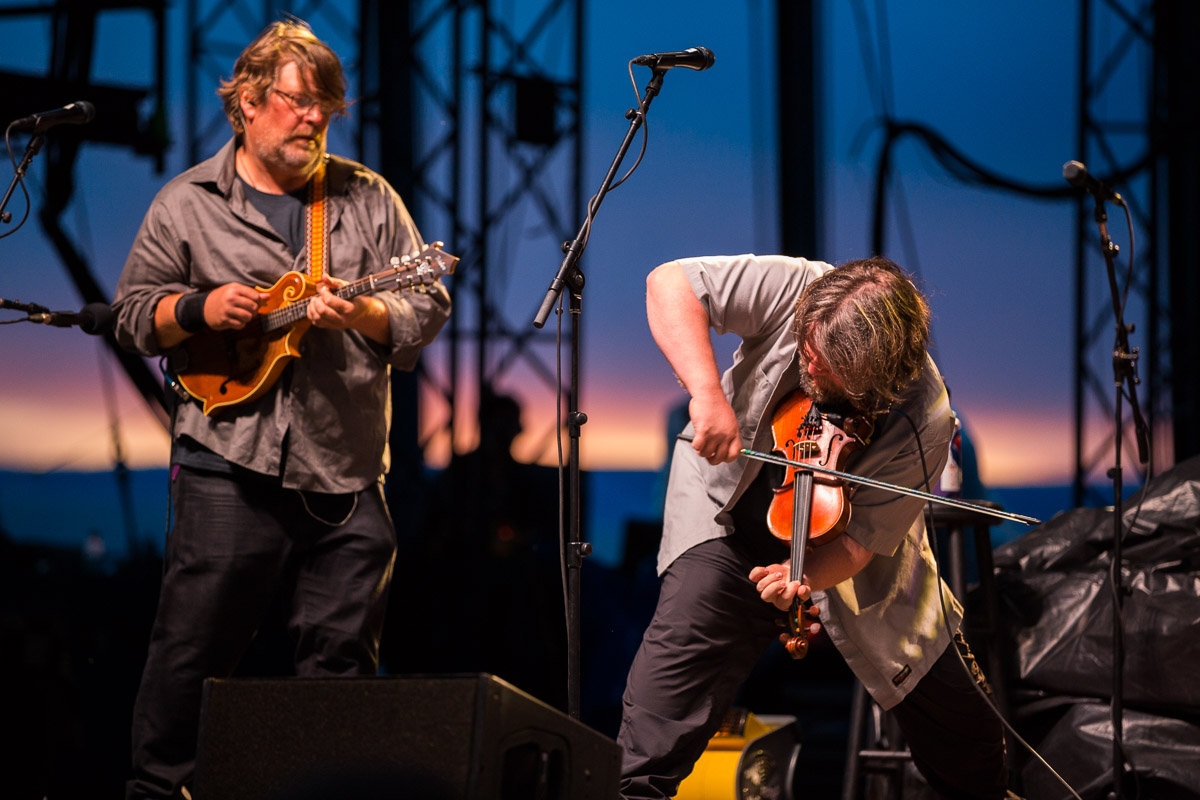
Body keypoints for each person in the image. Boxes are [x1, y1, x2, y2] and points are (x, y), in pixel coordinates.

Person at [111, 20, 451, 800]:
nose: (314, 120)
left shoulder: (365, 200)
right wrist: (197, 310)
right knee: (191, 656)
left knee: (339, 669)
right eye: (299, 104)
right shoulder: (186, 203)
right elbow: (133, 317)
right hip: (226, 465)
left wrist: (358, 316)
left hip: (345, 470)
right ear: (248, 105)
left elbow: (424, 307)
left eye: (327, 108)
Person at [617, 254, 1009, 799]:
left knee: (957, 716)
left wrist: (800, 575)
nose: (809, 364)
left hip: (847, 547)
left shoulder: (927, 416)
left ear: (877, 377)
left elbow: (857, 544)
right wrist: (707, 395)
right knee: (672, 677)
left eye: (827, 370)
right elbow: (668, 283)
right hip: (724, 504)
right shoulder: (800, 286)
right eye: (807, 348)